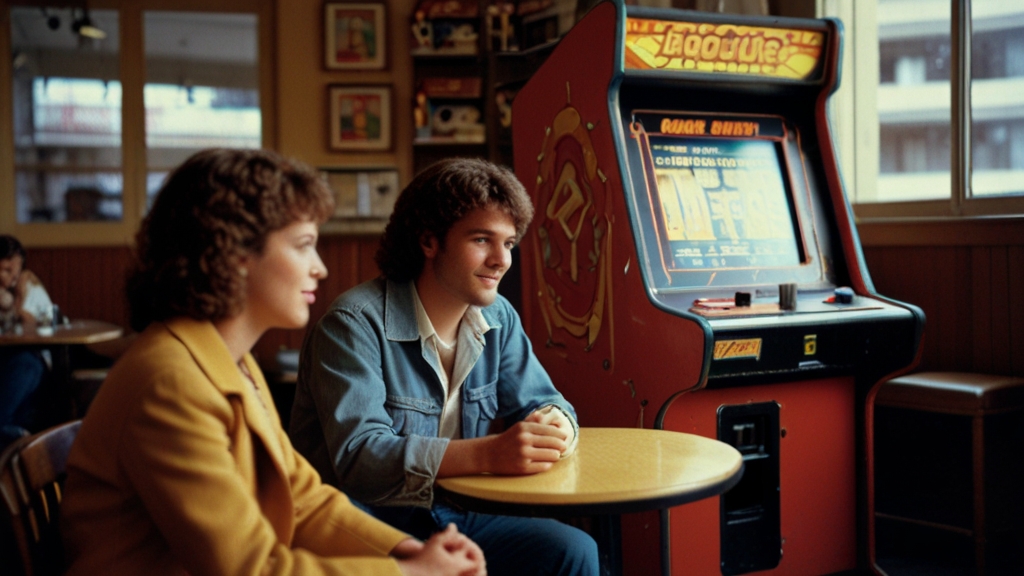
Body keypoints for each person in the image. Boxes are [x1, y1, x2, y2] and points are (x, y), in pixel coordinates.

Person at [61, 148, 486, 576]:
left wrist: (408, 551)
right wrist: (413, 573)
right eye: (304, 246)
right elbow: (251, 568)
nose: (319, 268)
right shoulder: (171, 382)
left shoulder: (229, 360)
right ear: (236, 253)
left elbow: (304, 500)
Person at [290, 158, 600, 576]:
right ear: (429, 240)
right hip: (363, 522)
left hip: (453, 514)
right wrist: (491, 452)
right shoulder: (353, 323)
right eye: (481, 239)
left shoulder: (499, 318)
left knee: (573, 549)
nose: (501, 260)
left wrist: (556, 422)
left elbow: (543, 401)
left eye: (508, 243)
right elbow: (361, 460)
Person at [0, 235, 52, 447]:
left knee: (28, 365)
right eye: (5, 269)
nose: (13, 276)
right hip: (11, 358)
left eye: (17, 269)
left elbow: (32, 325)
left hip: (27, 357)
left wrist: (16, 302)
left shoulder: (26, 286)